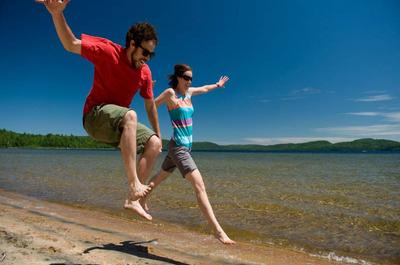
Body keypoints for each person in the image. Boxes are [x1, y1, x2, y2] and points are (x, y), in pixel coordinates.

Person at [36, 0, 162, 220]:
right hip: (94, 117)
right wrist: (56, 14)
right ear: (132, 44)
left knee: (154, 143)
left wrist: (158, 136)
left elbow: (150, 104)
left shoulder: (145, 72)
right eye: (145, 52)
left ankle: (132, 199)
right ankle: (134, 185)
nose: (147, 58)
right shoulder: (107, 51)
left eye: (151, 54)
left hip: (118, 124)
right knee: (130, 115)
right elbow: (71, 44)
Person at [142, 64, 236, 244]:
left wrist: (217, 85)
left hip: (179, 148)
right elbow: (152, 106)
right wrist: (149, 92)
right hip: (179, 149)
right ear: (178, 77)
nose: (189, 81)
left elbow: (205, 88)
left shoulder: (189, 93)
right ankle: (218, 231)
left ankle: (141, 198)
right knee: (200, 187)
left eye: (191, 78)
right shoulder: (171, 94)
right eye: (186, 77)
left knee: (160, 177)